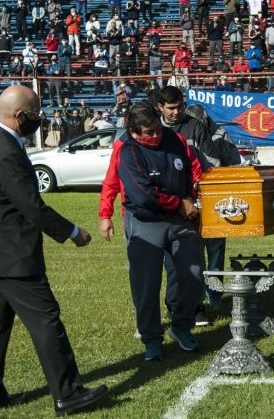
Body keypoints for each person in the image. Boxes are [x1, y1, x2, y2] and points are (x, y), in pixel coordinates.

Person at [0, 86, 108, 415]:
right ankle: (68, 394)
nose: (39, 119)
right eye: (36, 113)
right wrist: (73, 232)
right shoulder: (6, 151)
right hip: (13, 258)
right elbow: (32, 207)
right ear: (20, 116)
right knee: (46, 322)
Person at [116, 102, 205, 360]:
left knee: (193, 275)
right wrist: (179, 203)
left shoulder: (174, 139)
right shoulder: (129, 152)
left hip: (180, 221)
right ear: (133, 132)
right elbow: (143, 195)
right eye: (148, 132)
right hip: (146, 222)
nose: (155, 135)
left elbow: (188, 173)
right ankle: (152, 339)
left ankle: (181, 326)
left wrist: (188, 195)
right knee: (146, 284)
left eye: (156, 128)